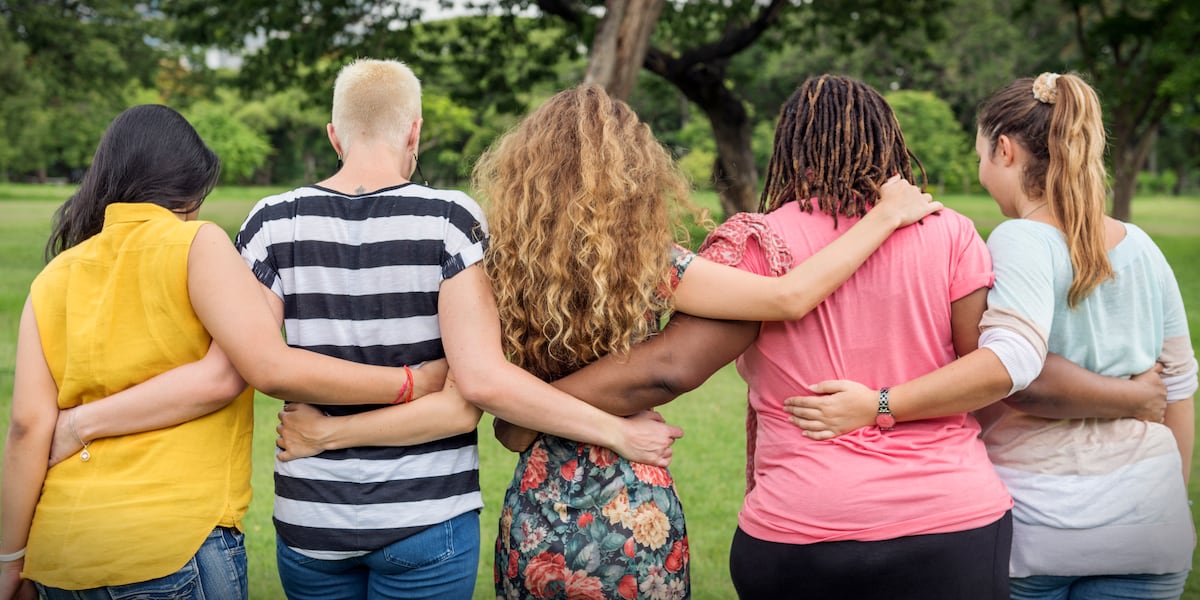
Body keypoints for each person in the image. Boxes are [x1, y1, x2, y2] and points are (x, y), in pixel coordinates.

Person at [272, 83, 941, 598]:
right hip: (634, 503)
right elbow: (787, 297)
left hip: (537, 510)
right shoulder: (651, 265)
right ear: (635, 172)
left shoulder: (494, 265)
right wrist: (882, 217)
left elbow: (477, 383)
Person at [0, 104, 470, 600]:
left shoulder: (53, 276)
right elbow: (254, 367)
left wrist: (11, 561)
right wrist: (410, 382)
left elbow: (28, 428)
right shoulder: (195, 244)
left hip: (62, 554)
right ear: (187, 188)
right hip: (171, 541)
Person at [785, 73, 1196, 599]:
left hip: (1044, 524)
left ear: (1004, 151)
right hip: (1151, 526)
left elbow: (1006, 371)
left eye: (980, 155)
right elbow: (1179, 390)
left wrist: (880, 404)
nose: (980, 171)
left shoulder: (1021, 239)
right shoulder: (1142, 246)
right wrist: (1171, 499)